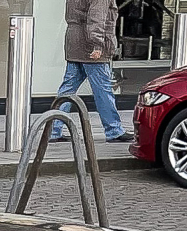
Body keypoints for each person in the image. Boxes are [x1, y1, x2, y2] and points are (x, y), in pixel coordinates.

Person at [56, 0, 132, 141]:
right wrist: (97, 45)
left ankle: (54, 130)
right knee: (103, 90)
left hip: (74, 42)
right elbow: (96, 17)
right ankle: (114, 130)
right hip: (90, 48)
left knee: (67, 89)